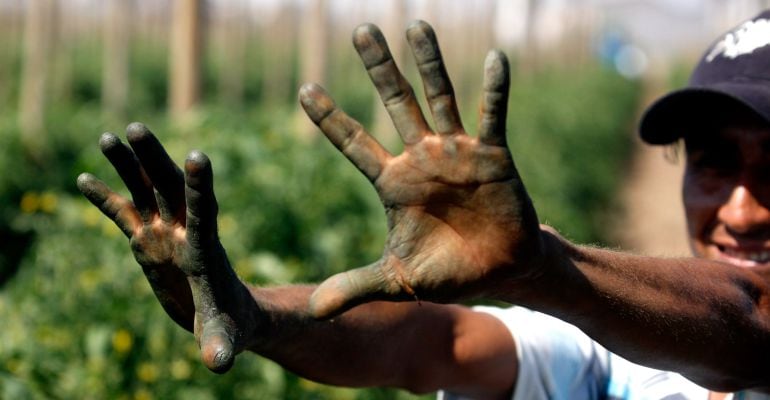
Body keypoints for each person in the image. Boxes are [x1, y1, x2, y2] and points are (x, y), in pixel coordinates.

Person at [77, 13, 770, 400]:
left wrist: (544, 271)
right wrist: (260, 315)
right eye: (713, 161)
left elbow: (751, 315)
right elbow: (433, 342)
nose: (741, 210)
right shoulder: (623, 368)